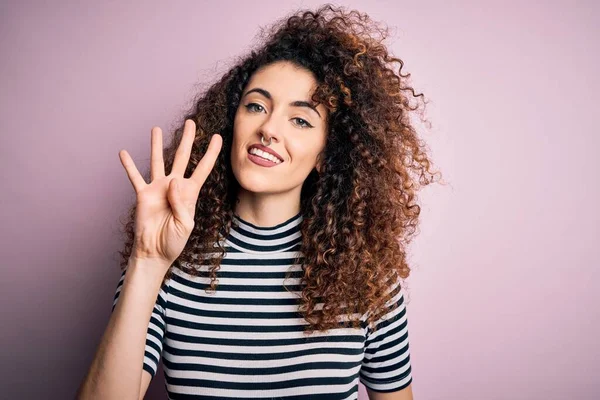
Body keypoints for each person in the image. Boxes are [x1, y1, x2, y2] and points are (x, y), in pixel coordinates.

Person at [77, 4, 439, 399]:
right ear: (232, 123)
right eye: (256, 106)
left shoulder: (366, 279)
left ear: (326, 155)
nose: (268, 128)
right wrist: (147, 261)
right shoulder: (168, 262)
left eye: (300, 120)